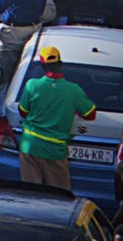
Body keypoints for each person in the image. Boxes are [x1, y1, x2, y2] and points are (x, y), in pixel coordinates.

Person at [16, 45, 96, 190]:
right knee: (58, 195)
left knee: (30, 193)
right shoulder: (74, 90)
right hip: (55, 150)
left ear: (42, 66)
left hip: (30, 146)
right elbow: (90, 114)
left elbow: (23, 112)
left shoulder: (32, 85)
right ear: (60, 64)